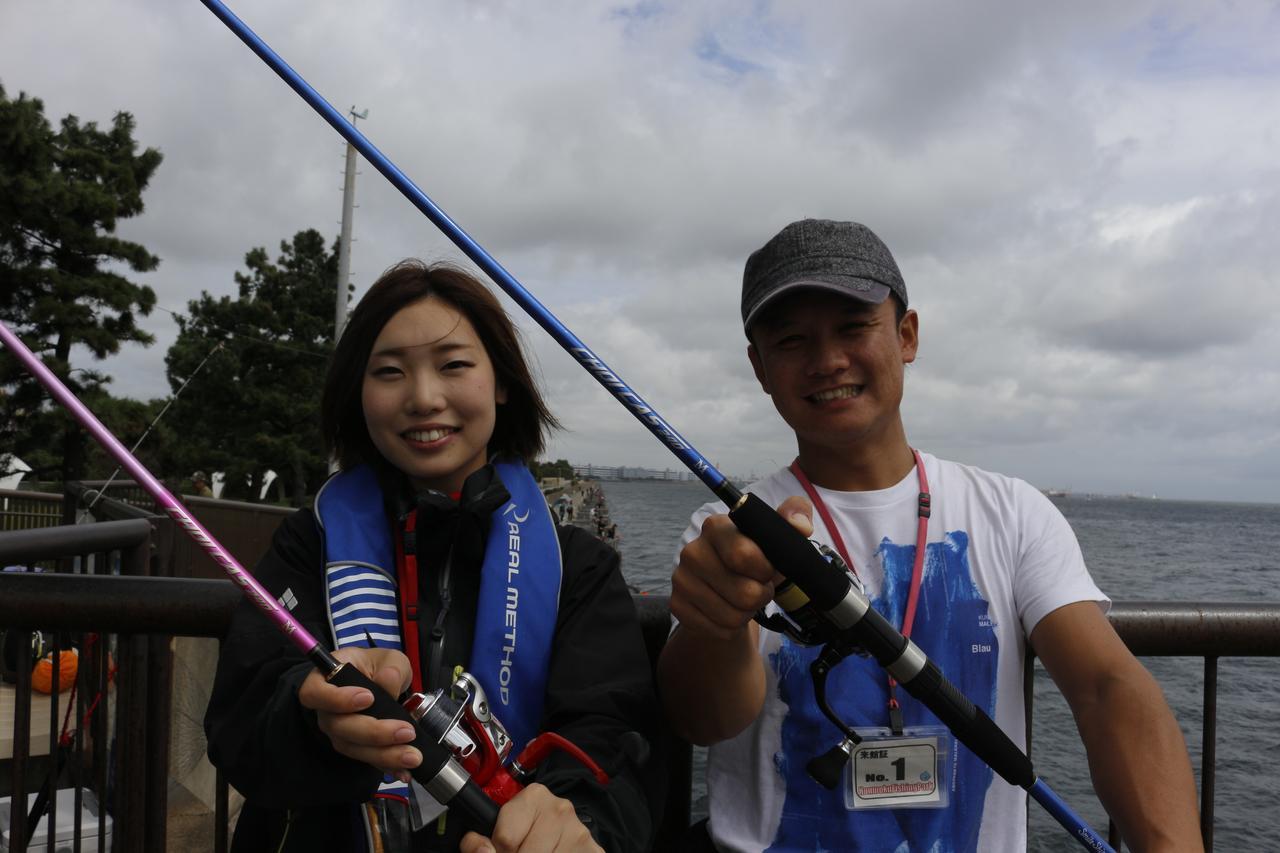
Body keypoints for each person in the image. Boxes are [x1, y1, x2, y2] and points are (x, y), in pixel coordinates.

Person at [656, 219, 1202, 852]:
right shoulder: (725, 532)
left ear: (906, 335)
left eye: (854, 328)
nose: (827, 360)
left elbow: (1108, 689)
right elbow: (706, 718)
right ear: (760, 367)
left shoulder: (1012, 511)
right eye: (791, 339)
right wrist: (714, 625)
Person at [206, 261, 657, 853]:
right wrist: (312, 719)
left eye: (454, 365)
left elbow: (612, 738)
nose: (423, 398)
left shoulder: (580, 564)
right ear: (357, 394)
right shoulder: (306, 544)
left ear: (501, 381)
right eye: (389, 371)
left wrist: (579, 824)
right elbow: (241, 724)